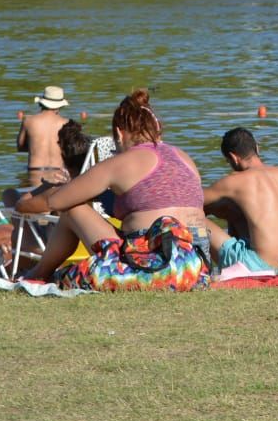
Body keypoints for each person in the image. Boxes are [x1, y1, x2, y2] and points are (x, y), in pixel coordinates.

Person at [16, 88, 209, 291]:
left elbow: (53, 202)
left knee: (72, 209)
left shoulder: (121, 161)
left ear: (119, 133)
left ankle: (37, 275)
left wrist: (24, 201)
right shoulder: (184, 158)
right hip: (196, 270)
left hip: (152, 270)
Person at [202, 128, 278, 273]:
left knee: (191, 216)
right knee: (233, 210)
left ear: (233, 158)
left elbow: (190, 200)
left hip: (256, 267)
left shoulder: (236, 181)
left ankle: (195, 272)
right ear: (257, 148)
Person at [4, 86, 72, 205]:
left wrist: (35, 147)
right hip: (58, 173)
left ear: (41, 103)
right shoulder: (66, 123)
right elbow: (70, 152)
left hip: (34, 173)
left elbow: (20, 146)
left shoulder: (28, 121)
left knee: (29, 204)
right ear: (60, 106)